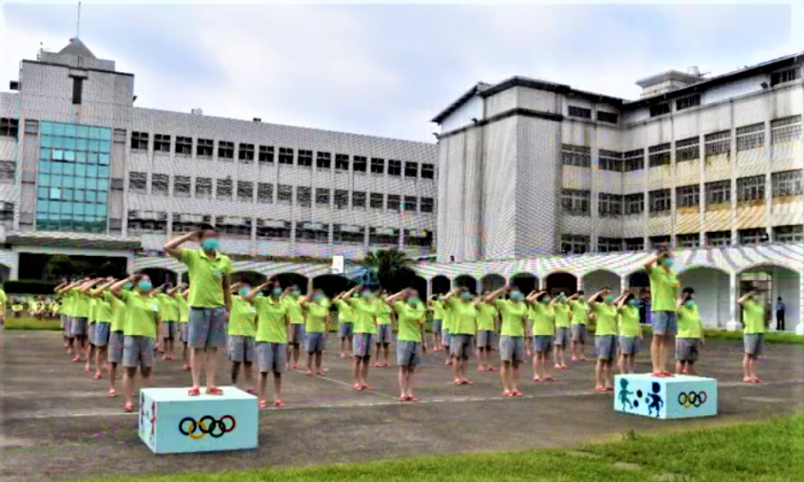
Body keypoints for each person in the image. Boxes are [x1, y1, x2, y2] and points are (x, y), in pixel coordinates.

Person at [165, 226, 233, 396]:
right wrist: (188, 236)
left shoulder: (224, 260)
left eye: (215, 237)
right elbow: (168, 248)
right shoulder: (193, 256)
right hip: (197, 307)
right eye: (208, 237)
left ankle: (210, 385)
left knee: (212, 348)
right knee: (197, 347)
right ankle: (195, 384)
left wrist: (228, 309)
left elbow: (226, 287)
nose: (212, 240)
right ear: (201, 240)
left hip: (217, 308)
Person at [110, 274, 161, 412]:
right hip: (132, 335)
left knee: (147, 370)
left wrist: (159, 339)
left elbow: (158, 321)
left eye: (149, 281)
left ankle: (148, 401)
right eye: (143, 281)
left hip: (149, 337)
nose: (147, 283)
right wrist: (128, 279)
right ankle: (128, 401)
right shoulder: (130, 296)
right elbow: (113, 289)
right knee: (130, 369)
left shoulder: (155, 301)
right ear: (137, 284)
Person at [244, 278, 289, 408]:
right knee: (264, 371)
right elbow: (247, 297)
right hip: (264, 339)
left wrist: (289, 340)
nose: (277, 289)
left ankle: (277, 397)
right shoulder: (262, 301)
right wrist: (262, 285)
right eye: (274, 287)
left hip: (279, 339)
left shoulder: (284, 304)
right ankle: (262, 398)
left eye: (279, 287)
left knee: (278, 372)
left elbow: (287, 323)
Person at [485, 285, 527, 397]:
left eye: (518, 292)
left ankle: (514, 388)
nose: (517, 294)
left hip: (519, 335)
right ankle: (506, 388)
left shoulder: (522, 305)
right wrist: (500, 290)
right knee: (506, 362)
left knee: (516, 363)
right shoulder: (504, 303)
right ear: (509, 293)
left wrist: (526, 336)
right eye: (514, 292)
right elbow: (488, 299)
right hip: (507, 335)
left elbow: (524, 321)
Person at [387, 288, 427, 401]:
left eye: (416, 296)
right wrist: (399, 293)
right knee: (403, 367)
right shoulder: (401, 306)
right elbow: (387, 301)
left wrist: (424, 342)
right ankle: (403, 392)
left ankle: (410, 392)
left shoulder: (420, 308)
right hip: (404, 340)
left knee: (412, 368)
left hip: (416, 340)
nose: (414, 298)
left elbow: (422, 326)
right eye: (412, 296)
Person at [644, 246, 679, 377]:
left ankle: (663, 367)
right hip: (659, 307)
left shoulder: (673, 274)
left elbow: (675, 292)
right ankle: (656, 367)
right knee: (657, 337)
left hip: (671, 308)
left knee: (667, 338)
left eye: (670, 257)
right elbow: (646, 264)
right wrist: (659, 255)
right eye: (667, 257)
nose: (670, 260)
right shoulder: (656, 272)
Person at [342, 285, 379, 390]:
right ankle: (356, 382)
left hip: (370, 332)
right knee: (358, 358)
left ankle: (364, 381)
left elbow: (375, 318)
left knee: (367, 358)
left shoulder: (373, 304)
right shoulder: (357, 301)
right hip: (360, 332)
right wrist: (353, 289)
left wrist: (375, 332)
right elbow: (344, 298)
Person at [227, 282, 257, 395]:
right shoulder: (234, 300)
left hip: (250, 334)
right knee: (236, 361)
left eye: (248, 290)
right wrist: (235, 286)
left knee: (248, 361)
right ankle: (233, 383)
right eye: (244, 290)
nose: (246, 292)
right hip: (237, 334)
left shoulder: (253, 304)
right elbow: (223, 293)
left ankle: (249, 384)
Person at [84, 278, 117, 380]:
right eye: (108, 282)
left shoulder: (116, 295)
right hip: (100, 322)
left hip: (114, 324)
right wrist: (95, 282)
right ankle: (97, 370)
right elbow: (85, 290)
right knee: (97, 347)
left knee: (109, 347)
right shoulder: (101, 294)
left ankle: (107, 365)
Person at [443, 287, 477, 386]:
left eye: (468, 293)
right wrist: (454, 291)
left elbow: (474, 319)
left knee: (466, 357)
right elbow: (445, 299)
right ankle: (457, 377)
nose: (467, 295)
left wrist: (475, 333)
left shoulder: (471, 305)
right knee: (457, 356)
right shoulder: (455, 302)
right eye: (464, 293)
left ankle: (464, 377)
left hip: (469, 332)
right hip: (457, 333)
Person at [589, 287, 617, 392]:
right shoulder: (599, 306)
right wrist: (599, 293)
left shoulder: (613, 307)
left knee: (610, 360)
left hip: (613, 334)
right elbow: (590, 302)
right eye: (606, 294)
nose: (609, 296)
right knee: (601, 359)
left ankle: (608, 382)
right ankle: (598, 382)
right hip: (602, 335)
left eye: (610, 294)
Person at [105, 279, 129, 397]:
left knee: (130, 363)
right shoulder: (112, 297)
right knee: (113, 362)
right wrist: (128, 279)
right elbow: (112, 289)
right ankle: (112, 387)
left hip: (130, 332)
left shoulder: (132, 297)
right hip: (117, 330)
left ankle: (129, 387)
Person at [526, 290, 555, 382]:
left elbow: (553, 320)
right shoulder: (538, 306)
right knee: (538, 354)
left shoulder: (551, 307)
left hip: (549, 333)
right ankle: (536, 374)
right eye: (545, 296)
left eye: (548, 296)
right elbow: (529, 300)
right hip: (539, 332)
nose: (548, 298)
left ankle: (546, 374)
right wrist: (539, 294)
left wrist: (555, 332)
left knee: (547, 355)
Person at [675, 288, 705, 375]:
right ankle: (678, 376)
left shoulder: (694, 307)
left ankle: (690, 375)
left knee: (692, 359)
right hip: (684, 336)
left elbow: (698, 321)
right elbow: (675, 313)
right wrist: (680, 302)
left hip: (695, 336)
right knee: (682, 359)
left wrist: (701, 336)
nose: (690, 300)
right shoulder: (680, 308)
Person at [301, 288, 330, 376]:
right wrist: (309, 294)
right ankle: (309, 369)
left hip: (320, 331)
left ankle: (318, 369)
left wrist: (326, 331)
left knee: (319, 352)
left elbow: (326, 320)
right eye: (317, 295)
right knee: (310, 352)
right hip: (311, 331)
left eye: (320, 295)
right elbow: (301, 303)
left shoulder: (323, 307)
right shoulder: (310, 306)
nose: (319, 297)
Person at [739, 289, 766, 383]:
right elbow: (739, 301)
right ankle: (746, 375)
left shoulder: (759, 305)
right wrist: (748, 295)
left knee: (755, 356)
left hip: (759, 331)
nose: (758, 296)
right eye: (756, 294)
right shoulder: (747, 304)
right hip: (750, 332)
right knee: (748, 354)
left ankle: (753, 375)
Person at [616, 292, 642, 374]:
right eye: (630, 299)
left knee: (633, 354)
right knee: (624, 354)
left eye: (633, 299)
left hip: (635, 334)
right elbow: (618, 308)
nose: (632, 301)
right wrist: (623, 298)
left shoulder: (635, 309)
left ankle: (631, 370)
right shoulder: (624, 308)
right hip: (626, 334)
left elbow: (638, 322)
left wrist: (640, 333)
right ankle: (622, 371)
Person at [155, 284, 181, 362]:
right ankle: (166, 354)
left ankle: (172, 353)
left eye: (171, 288)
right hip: (165, 319)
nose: (171, 290)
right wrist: (162, 286)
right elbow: (154, 292)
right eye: (169, 288)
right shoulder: (162, 297)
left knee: (172, 338)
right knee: (165, 338)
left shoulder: (176, 298)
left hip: (174, 319)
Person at [283, 285, 305, 371]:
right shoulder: (287, 298)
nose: (296, 292)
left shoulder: (300, 298)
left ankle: (296, 362)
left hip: (300, 322)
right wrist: (287, 290)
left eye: (298, 290)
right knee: (289, 344)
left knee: (297, 345)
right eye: (294, 290)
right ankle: (287, 362)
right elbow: (280, 298)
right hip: (290, 323)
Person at [475, 292, 498, 372]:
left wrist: (495, 329)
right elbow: (474, 304)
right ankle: (480, 365)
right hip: (481, 328)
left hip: (490, 329)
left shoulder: (493, 307)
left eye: (490, 294)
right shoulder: (480, 305)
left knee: (489, 348)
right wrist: (481, 297)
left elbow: (496, 319)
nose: (489, 296)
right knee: (480, 347)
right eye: (487, 294)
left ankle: (489, 365)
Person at [374, 291, 394, 368]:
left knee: (386, 344)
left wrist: (393, 323)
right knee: (378, 343)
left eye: (386, 293)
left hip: (387, 324)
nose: (385, 295)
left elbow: (392, 314)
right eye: (383, 293)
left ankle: (386, 360)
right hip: (379, 323)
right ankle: (376, 361)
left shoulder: (389, 304)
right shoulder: (377, 302)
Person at [568, 291, 589, 361]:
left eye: (582, 295)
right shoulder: (574, 303)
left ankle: (582, 355)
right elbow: (566, 301)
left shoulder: (585, 304)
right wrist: (573, 296)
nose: (581, 296)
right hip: (576, 323)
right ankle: (573, 355)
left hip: (584, 323)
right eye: (580, 295)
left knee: (583, 341)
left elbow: (588, 312)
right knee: (574, 340)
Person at [552, 292, 571, 370]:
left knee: (564, 346)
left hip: (566, 326)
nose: (564, 298)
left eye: (565, 296)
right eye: (562, 297)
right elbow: (551, 303)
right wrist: (558, 297)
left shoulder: (567, 306)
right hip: (559, 326)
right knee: (557, 345)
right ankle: (556, 363)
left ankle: (563, 362)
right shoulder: (557, 306)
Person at [334, 292, 356, 359]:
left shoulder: (352, 302)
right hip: (343, 321)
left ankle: (351, 352)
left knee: (350, 339)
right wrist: (340, 295)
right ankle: (342, 352)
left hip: (351, 321)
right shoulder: (340, 302)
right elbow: (334, 301)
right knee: (342, 338)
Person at [173, 286, 190, 370]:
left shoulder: (194, 299)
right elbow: (170, 293)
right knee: (185, 344)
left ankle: (192, 362)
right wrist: (178, 287)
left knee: (195, 345)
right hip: (185, 323)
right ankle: (185, 362)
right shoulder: (180, 298)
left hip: (194, 323)